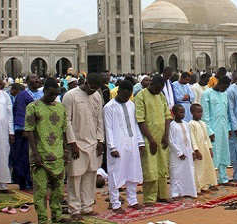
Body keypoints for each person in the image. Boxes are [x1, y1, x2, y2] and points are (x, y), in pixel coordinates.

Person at [25, 78, 68, 224]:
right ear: (44, 91)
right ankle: (43, 219)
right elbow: (29, 131)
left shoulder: (60, 107)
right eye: (51, 93)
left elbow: (63, 130)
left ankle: (57, 216)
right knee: (41, 190)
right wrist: (35, 153)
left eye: (56, 94)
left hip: (57, 155)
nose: (53, 97)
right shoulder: (33, 107)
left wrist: (65, 150)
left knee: (58, 190)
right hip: (41, 156)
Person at [62, 72, 104, 220]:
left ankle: (87, 206)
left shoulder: (97, 96)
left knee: (90, 175)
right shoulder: (70, 96)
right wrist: (72, 143)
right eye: (92, 87)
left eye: (96, 89)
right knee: (75, 177)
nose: (93, 91)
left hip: (93, 143)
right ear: (86, 82)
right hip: (77, 144)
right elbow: (66, 121)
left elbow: (100, 119)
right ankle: (74, 209)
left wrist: (100, 141)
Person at [103, 80, 144, 214]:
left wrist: (140, 142)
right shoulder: (109, 107)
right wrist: (112, 147)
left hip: (132, 142)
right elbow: (108, 128)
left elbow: (135, 125)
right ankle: (115, 203)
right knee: (115, 174)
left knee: (132, 171)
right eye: (123, 95)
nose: (125, 98)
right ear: (118, 92)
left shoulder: (131, 105)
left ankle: (133, 200)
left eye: (128, 96)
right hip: (117, 145)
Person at [135, 75, 172, 205]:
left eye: (160, 89)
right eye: (157, 89)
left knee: (162, 167)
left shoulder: (161, 95)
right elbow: (140, 119)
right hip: (148, 138)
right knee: (150, 169)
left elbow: (167, 116)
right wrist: (150, 139)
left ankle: (162, 195)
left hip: (162, 138)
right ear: (151, 84)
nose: (158, 91)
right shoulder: (141, 96)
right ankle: (150, 198)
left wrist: (166, 135)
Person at [12, 74, 43, 190]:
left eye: (37, 78)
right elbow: (20, 112)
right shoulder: (22, 95)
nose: (36, 79)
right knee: (25, 157)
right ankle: (24, 181)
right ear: (28, 81)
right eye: (33, 78)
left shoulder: (41, 94)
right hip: (26, 132)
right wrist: (23, 128)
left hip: (40, 131)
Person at [201, 75, 231, 184]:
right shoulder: (206, 94)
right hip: (213, 128)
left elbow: (226, 113)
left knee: (223, 152)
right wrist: (209, 130)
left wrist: (228, 128)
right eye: (224, 87)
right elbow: (205, 114)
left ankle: (223, 177)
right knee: (213, 154)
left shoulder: (225, 94)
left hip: (223, 128)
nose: (225, 89)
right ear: (219, 84)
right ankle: (211, 180)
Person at [168, 104, 197, 199]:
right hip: (176, 154)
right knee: (176, 173)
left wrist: (192, 151)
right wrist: (179, 153)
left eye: (183, 112)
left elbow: (189, 139)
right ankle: (175, 193)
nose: (182, 114)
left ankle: (188, 191)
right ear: (174, 113)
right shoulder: (171, 125)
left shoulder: (186, 124)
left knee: (188, 171)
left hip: (187, 152)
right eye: (180, 112)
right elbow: (170, 141)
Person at [188, 104, 217, 193]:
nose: (200, 114)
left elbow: (206, 137)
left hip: (205, 148)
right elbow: (192, 138)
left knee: (206, 167)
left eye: (201, 112)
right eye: (198, 112)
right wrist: (196, 150)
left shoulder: (203, 123)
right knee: (198, 168)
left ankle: (205, 186)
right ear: (192, 112)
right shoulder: (191, 124)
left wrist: (210, 148)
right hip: (198, 149)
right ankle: (197, 188)